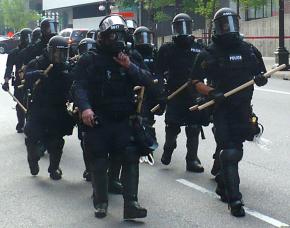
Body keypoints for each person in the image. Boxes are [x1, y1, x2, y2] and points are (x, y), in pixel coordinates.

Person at [73, 15, 154, 219]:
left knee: (130, 156)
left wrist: (129, 67)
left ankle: (131, 204)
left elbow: (147, 80)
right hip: (99, 119)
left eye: (120, 35)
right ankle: (101, 202)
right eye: (112, 36)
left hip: (124, 119)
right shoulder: (90, 59)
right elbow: (79, 86)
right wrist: (85, 109)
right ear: (102, 37)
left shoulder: (130, 56)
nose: (116, 40)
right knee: (99, 160)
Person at [193, 8, 268, 217]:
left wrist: (261, 78)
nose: (230, 28)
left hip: (243, 108)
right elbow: (195, 81)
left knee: (237, 150)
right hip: (222, 108)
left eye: (233, 23)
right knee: (230, 151)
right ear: (218, 27)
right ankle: (235, 200)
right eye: (225, 24)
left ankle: (223, 184)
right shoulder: (208, 53)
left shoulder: (249, 50)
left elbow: (260, 74)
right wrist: (211, 92)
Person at [156, 13, 205, 172]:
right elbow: (158, 73)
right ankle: (169, 148)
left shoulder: (199, 47)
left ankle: (192, 159)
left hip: (194, 94)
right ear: (174, 29)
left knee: (194, 127)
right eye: (179, 27)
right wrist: (161, 93)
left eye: (186, 27)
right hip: (174, 93)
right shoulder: (167, 49)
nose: (183, 31)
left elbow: (209, 70)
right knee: (172, 127)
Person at [24, 36, 74, 180]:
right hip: (39, 108)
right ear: (50, 51)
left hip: (57, 108)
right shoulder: (38, 62)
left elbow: (75, 83)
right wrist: (35, 75)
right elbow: (25, 77)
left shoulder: (66, 66)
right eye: (56, 52)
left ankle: (54, 168)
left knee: (57, 141)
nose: (59, 56)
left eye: (63, 52)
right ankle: (32, 159)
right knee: (32, 137)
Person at [133, 26, 165, 162]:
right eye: (141, 38)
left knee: (150, 117)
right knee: (142, 117)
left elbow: (160, 70)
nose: (144, 41)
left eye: (146, 37)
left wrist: (161, 87)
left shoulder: (155, 53)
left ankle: (149, 139)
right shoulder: (133, 55)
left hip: (153, 90)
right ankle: (147, 144)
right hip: (140, 90)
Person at [2, 28, 32, 133]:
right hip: (20, 82)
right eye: (26, 37)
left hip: (33, 81)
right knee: (20, 105)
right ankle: (21, 124)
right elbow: (9, 68)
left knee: (32, 104)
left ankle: (31, 125)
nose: (28, 40)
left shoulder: (33, 50)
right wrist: (6, 82)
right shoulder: (14, 53)